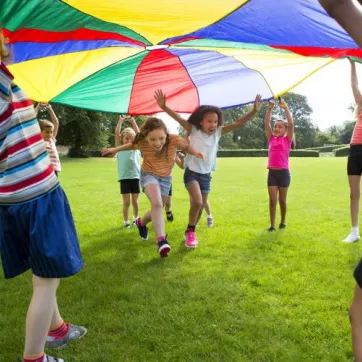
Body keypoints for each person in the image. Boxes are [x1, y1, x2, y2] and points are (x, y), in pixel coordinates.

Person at [0, 29, 86, 362]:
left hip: (10, 198)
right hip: (37, 195)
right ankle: (34, 357)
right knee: (47, 281)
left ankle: (58, 329)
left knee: (42, 269)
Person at [154, 89, 261, 247]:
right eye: (209, 121)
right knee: (197, 202)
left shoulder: (218, 133)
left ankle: (190, 230)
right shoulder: (194, 130)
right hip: (191, 173)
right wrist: (164, 107)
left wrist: (253, 111)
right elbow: (178, 118)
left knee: (201, 205)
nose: (213, 124)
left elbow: (238, 123)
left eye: (215, 121)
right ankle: (191, 231)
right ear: (201, 122)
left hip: (206, 175)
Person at [102, 117, 205, 257]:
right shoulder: (142, 142)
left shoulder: (174, 140)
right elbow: (130, 145)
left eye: (161, 138)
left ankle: (141, 223)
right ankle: (161, 241)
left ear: (166, 134)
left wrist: (196, 152)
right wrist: (115, 149)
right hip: (148, 175)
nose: (157, 143)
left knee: (158, 208)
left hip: (165, 178)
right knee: (156, 204)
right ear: (146, 138)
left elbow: (186, 146)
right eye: (153, 140)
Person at [264, 99, 294, 232]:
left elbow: (291, 124)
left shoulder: (287, 140)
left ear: (286, 129)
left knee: (282, 200)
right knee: (272, 200)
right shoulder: (271, 138)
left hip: (283, 174)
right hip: (272, 174)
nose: (276, 128)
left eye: (280, 126)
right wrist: (269, 108)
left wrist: (285, 107)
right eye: (275, 126)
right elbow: (266, 123)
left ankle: (282, 221)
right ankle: (272, 225)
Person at [343, 59, 362, 243]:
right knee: (353, 193)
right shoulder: (361, 104)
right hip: (355, 150)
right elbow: (354, 85)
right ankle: (354, 232)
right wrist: (353, 64)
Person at [114, 116, 141, 228]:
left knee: (135, 201)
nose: (129, 141)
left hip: (135, 177)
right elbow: (116, 134)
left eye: (131, 138)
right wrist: (120, 121)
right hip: (124, 178)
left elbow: (139, 134)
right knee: (126, 202)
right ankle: (126, 221)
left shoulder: (137, 147)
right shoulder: (119, 148)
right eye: (126, 138)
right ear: (122, 139)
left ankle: (135, 218)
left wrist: (133, 121)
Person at [35, 103, 61, 176]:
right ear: (40, 131)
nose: (49, 134)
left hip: (54, 170)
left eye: (51, 132)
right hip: (43, 170)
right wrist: (38, 107)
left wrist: (50, 108)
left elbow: (56, 123)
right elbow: (31, 120)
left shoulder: (52, 139)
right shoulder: (39, 140)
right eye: (47, 132)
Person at [164, 152, 185, 222]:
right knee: (157, 203)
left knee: (168, 203)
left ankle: (168, 210)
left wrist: (182, 159)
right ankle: (157, 219)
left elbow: (182, 166)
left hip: (167, 179)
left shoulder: (172, 151)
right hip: (155, 180)